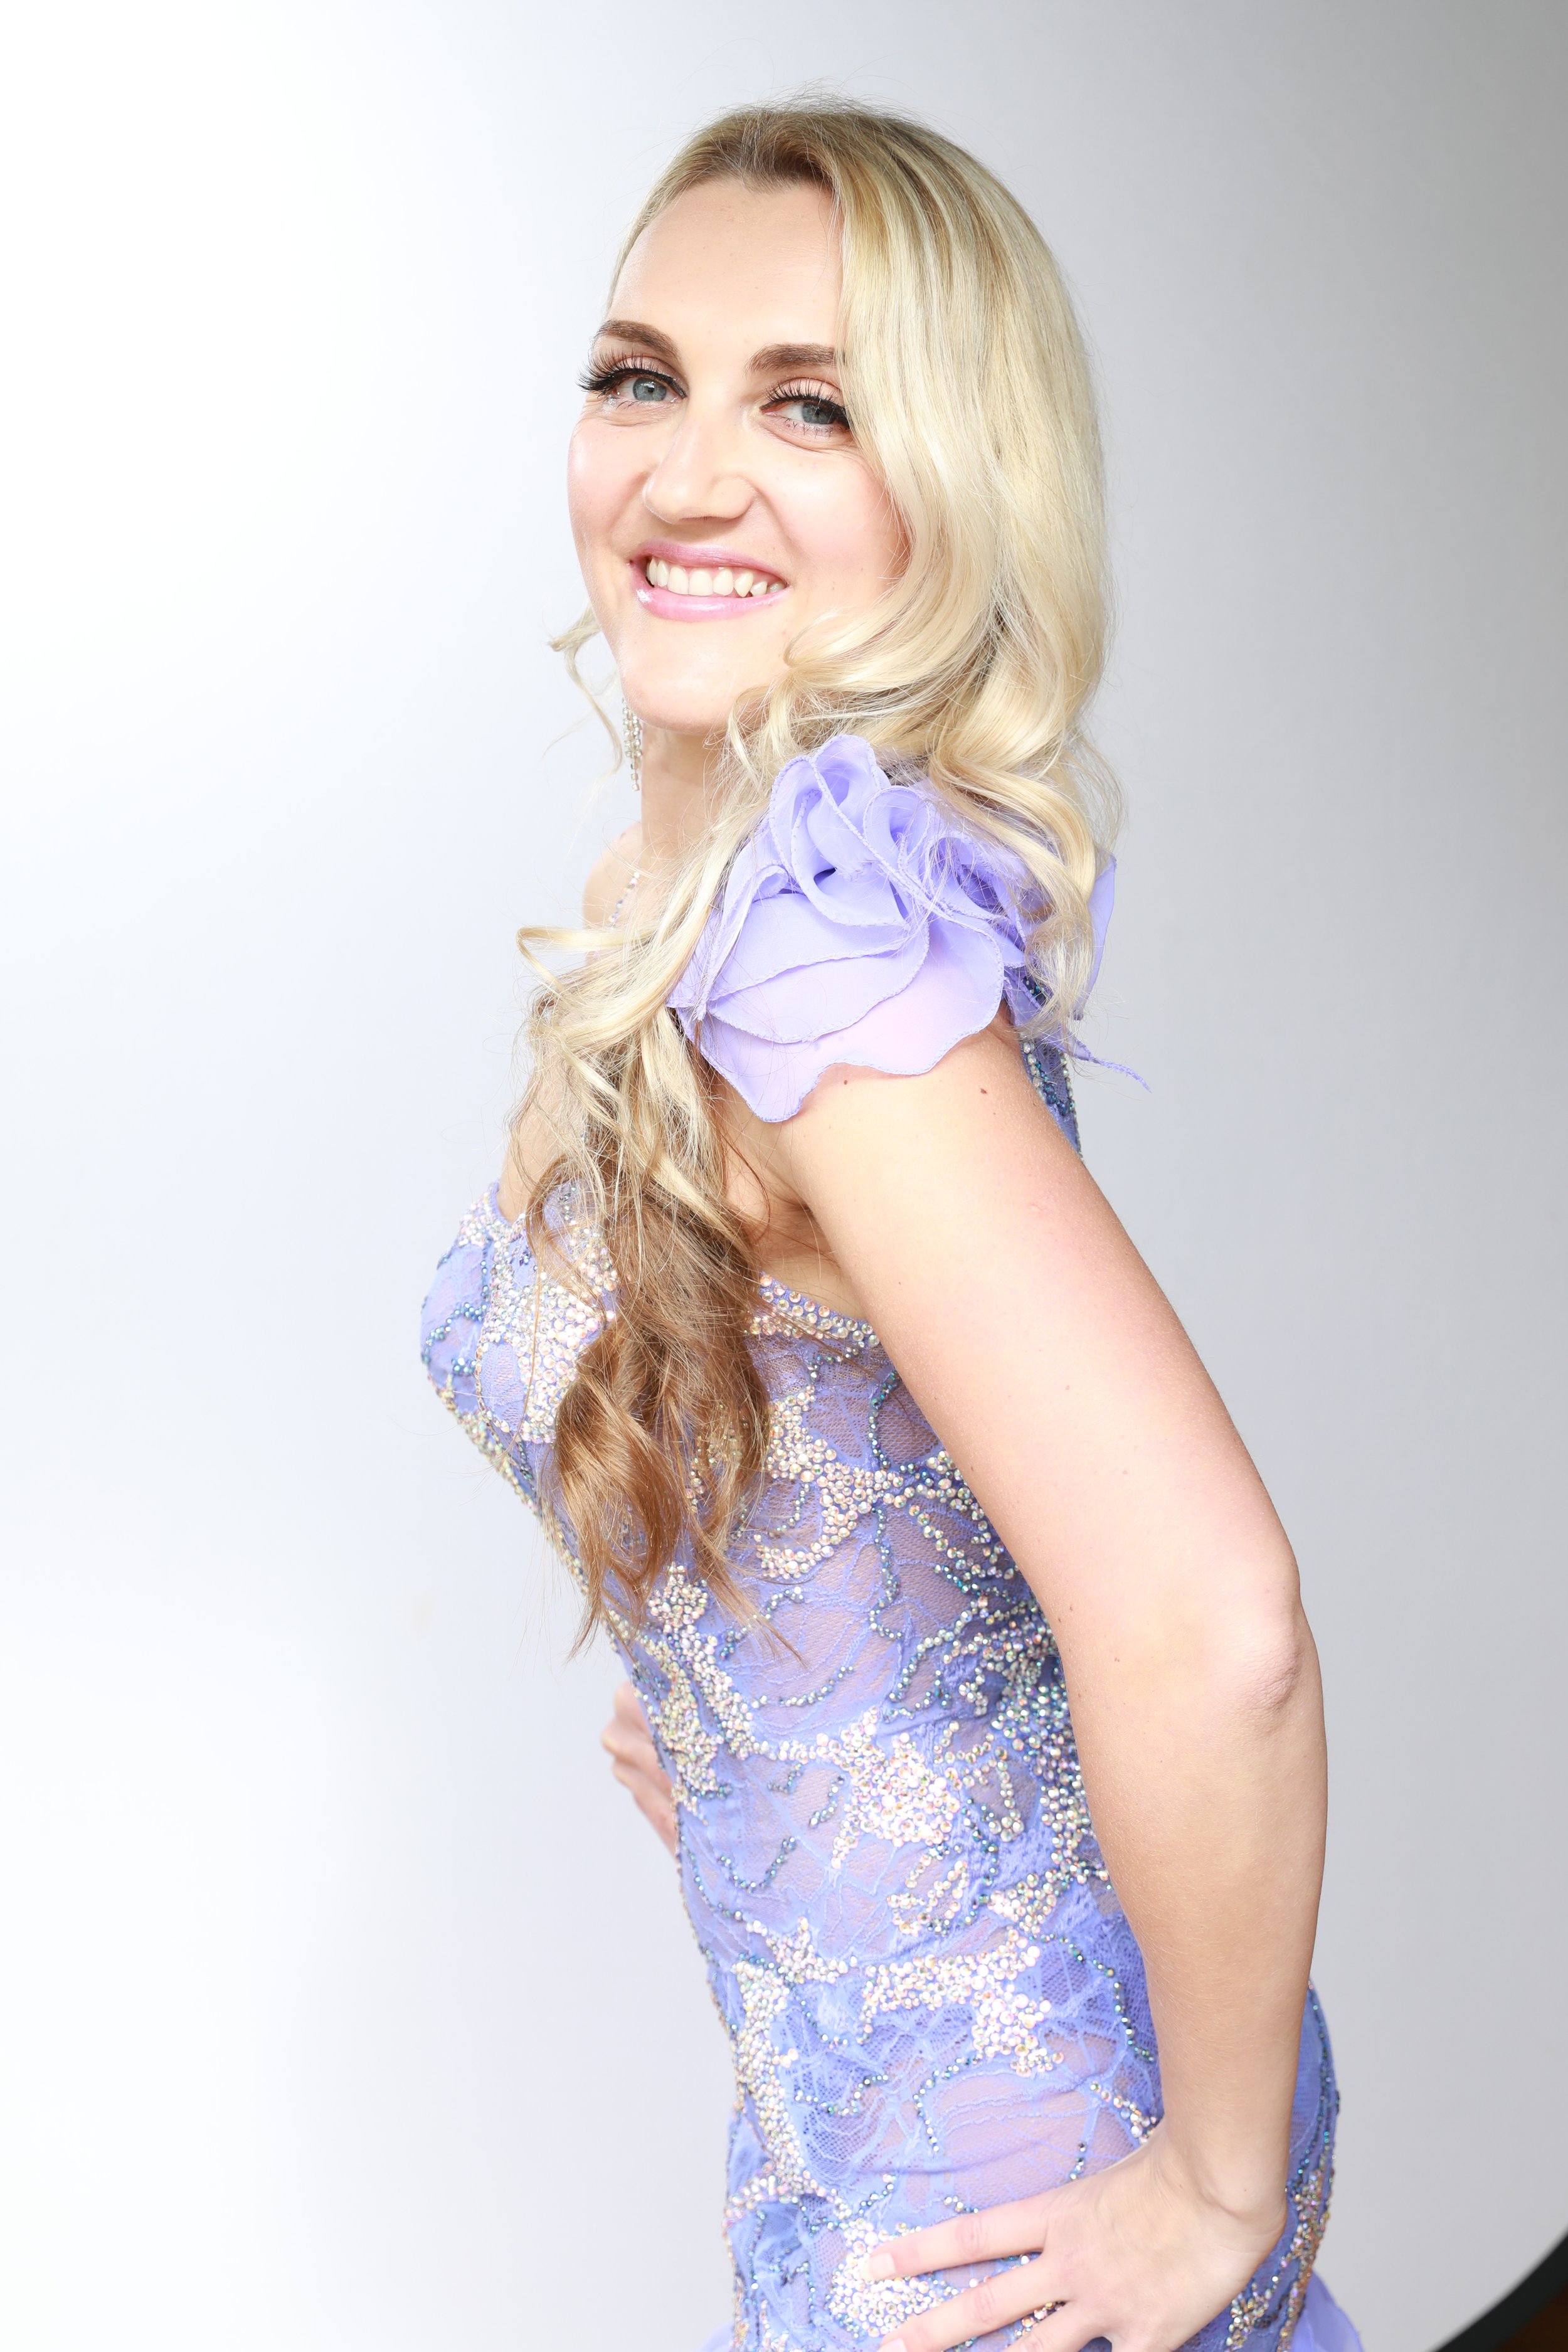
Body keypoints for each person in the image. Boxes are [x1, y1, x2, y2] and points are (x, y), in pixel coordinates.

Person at [420, 98, 1359, 2352]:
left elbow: (1212, 1618)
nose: (684, 473)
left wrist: (1219, 2181)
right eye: (640, 376)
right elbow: (859, 1439)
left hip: (996, 2174)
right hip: (876, 2090)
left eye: (811, 408)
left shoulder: (815, 961)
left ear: (952, 488)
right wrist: (742, 1679)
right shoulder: (720, 895)